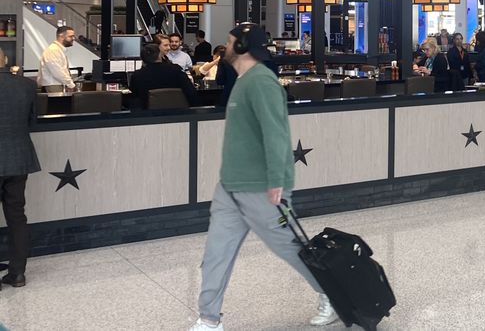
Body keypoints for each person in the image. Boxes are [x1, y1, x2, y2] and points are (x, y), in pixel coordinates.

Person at [189, 24, 336, 331]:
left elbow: (276, 134)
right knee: (216, 253)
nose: (225, 46)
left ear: (242, 46)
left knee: (290, 249)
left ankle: (331, 294)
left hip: (262, 188)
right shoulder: (241, 80)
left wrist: (277, 181)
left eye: (229, 42)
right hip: (230, 187)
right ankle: (208, 319)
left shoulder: (262, 83)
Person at [0, 48, 39, 288]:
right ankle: (17, 273)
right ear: (5, 60)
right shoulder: (26, 85)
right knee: (17, 215)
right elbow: (32, 120)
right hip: (18, 157)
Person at [129, 43, 201, 110]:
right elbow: (191, 91)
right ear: (160, 55)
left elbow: (134, 94)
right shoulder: (176, 70)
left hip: (148, 117)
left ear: (142, 59)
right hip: (178, 114)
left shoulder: (137, 75)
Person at [38, 25, 77, 92]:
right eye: (70, 36)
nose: (73, 38)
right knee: (57, 102)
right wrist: (70, 84)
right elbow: (57, 71)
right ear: (61, 36)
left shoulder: (58, 50)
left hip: (56, 84)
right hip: (53, 85)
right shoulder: (53, 50)